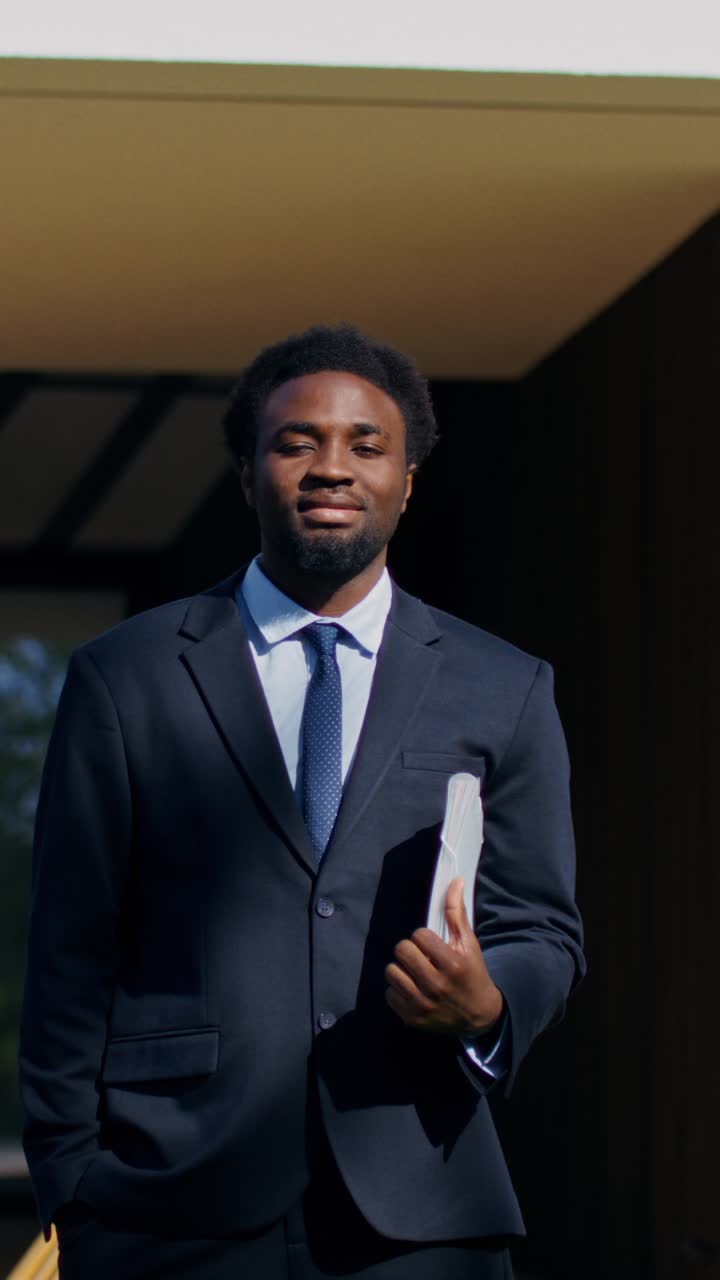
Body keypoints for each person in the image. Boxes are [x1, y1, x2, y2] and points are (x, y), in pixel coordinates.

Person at [19, 324, 584, 1280]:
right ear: (246, 472)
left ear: (407, 481)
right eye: (296, 442)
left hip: (422, 1210)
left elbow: (542, 928)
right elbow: (72, 945)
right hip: (167, 1205)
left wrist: (489, 1005)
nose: (333, 466)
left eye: (368, 444)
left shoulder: (505, 686)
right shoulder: (127, 676)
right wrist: (70, 1180)